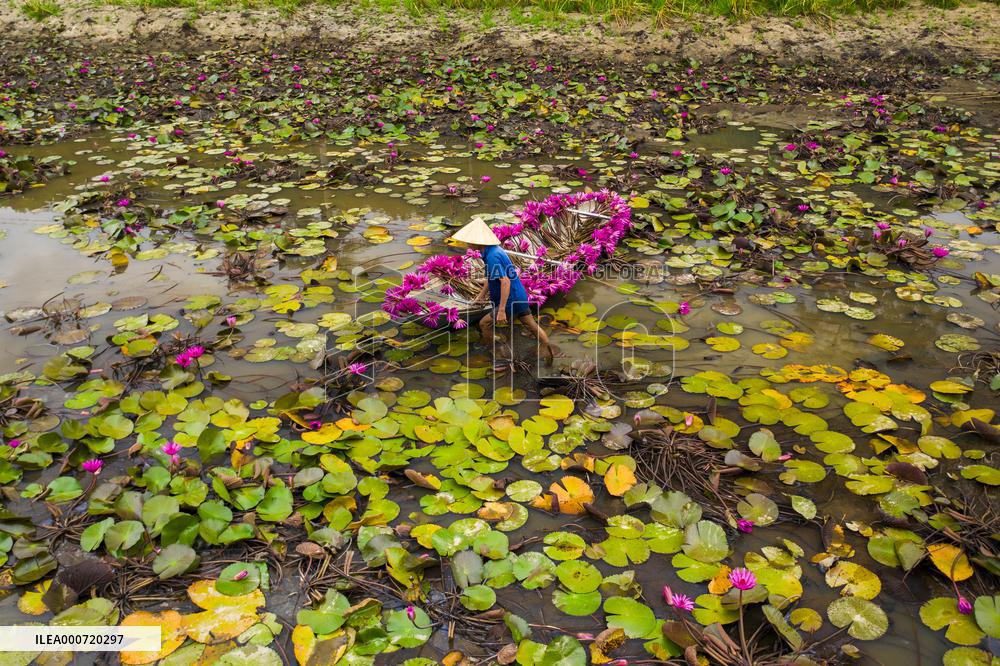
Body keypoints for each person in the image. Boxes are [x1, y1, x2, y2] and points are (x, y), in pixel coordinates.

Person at [451, 219, 554, 370]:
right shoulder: (492, 251)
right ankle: (547, 349)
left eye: (469, 241)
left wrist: (501, 310)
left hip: (510, 299)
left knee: (486, 324)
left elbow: (505, 282)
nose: (467, 244)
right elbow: (490, 278)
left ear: (477, 241)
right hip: (519, 295)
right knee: (531, 325)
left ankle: (497, 354)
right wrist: (480, 298)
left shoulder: (492, 256)